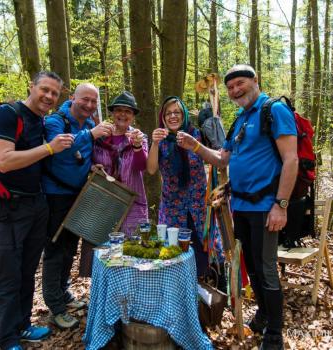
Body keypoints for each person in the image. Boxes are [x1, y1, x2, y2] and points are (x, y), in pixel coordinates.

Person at [177, 64, 298, 350]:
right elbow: (222, 159)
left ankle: (274, 333)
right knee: (253, 266)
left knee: (266, 267)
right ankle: (264, 315)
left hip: (266, 206)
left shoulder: (274, 110)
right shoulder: (241, 119)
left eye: (240, 84)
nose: (234, 91)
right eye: (230, 87)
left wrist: (280, 205)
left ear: (255, 81)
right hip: (240, 206)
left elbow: (291, 160)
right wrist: (195, 146)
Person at [0, 71, 74, 350]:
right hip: (7, 204)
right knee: (9, 270)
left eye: (54, 93)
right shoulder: (8, 114)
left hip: (35, 202)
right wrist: (49, 148)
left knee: (27, 268)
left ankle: (22, 325)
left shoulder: (41, 120)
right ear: (31, 87)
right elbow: (5, 161)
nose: (49, 96)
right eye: (44, 90)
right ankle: (7, 337)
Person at [42, 83, 113, 330]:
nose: (90, 105)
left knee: (70, 247)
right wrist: (91, 136)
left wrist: (91, 167)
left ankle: (63, 295)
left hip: (79, 194)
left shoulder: (88, 125)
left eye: (94, 102)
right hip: (55, 196)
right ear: (72, 98)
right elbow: (59, 149)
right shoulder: (55, 121)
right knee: (54, 250)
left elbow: (83, 154)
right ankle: (56, 307)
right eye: (85, 100)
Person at [78, 91, 148, 277]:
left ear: (133, 115)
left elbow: (142, 166)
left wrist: (137, 147)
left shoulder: (139, 138)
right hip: (103, 203)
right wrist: (92, 167)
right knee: (104, 255)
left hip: (132, 205)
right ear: (112, 113)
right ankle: (106, 298)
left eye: (127, 111)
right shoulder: (100, 136)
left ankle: (130, 297)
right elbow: (85, 160)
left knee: (131, 255)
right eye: (118, 110)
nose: (123, 115)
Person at [147, 96, 209, 277]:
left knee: (201, 249)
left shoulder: (196, 134)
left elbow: (216, 158)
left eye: (177, 112)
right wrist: (155, 143)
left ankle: (205, 290)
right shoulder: (162, 139)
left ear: (184, 115)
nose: (173, 116)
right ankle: (178, 290)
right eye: (168, 113)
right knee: (174, 252)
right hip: (172, 206)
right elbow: (151, 169)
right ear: (163, 117)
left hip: (198, 205)